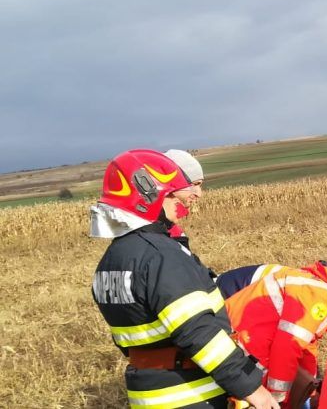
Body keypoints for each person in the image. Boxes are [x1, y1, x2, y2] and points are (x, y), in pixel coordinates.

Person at [90, 149, 278, 409]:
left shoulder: (110, 262)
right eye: (172, 193)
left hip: (147, 395)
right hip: (190, 395)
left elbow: (130, 341)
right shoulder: (160, 255)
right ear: (151, 196)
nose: (191, 198)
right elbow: (198, 332)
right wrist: (251, 388)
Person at [224, 261, 327, 407]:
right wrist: (278, 398)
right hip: (244, 342)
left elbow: (307, 347)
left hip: (238, 333)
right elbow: (288, 346)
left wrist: (310, 385)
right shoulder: (320, 296)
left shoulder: (312, 284)